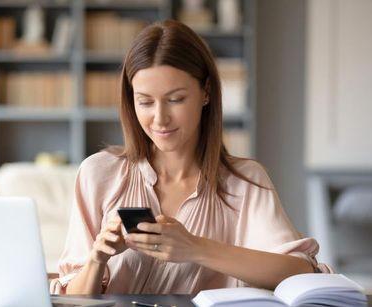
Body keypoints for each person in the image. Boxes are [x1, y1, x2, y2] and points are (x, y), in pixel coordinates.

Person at [50, 19, 331, 295]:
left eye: (175, 99)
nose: (159, 119)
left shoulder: (244, 182)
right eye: (145, 101)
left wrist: (194, 247)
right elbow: (73, 298)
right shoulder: (98, 173)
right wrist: (97, 258)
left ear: (206, 92)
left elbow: (299, 271)